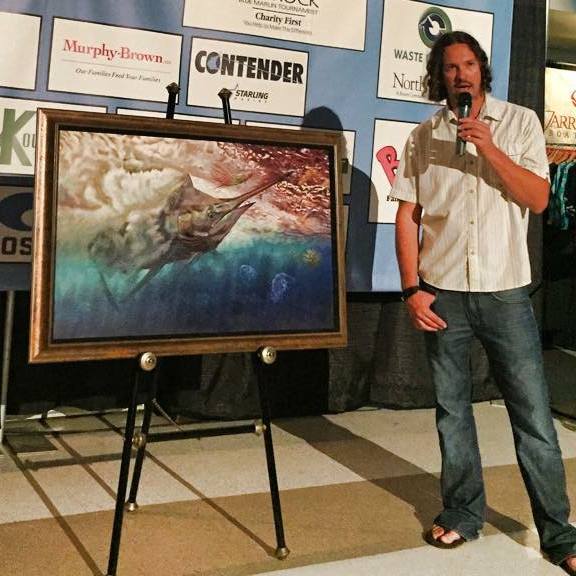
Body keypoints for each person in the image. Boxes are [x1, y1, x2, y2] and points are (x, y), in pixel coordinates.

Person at [389, 30, 576, 575]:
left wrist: (488, 147)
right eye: (450, 67)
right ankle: (462, 513)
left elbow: (538, 199)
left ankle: (560, 533)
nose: (461, 75)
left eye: (469, 64)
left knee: (534, 418)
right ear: (439, 76)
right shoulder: (423, 136)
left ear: (482, 70)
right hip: (443, 292)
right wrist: (411, 288)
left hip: (505, 292)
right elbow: (407, 214)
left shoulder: (519, 122)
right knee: (453, 414)